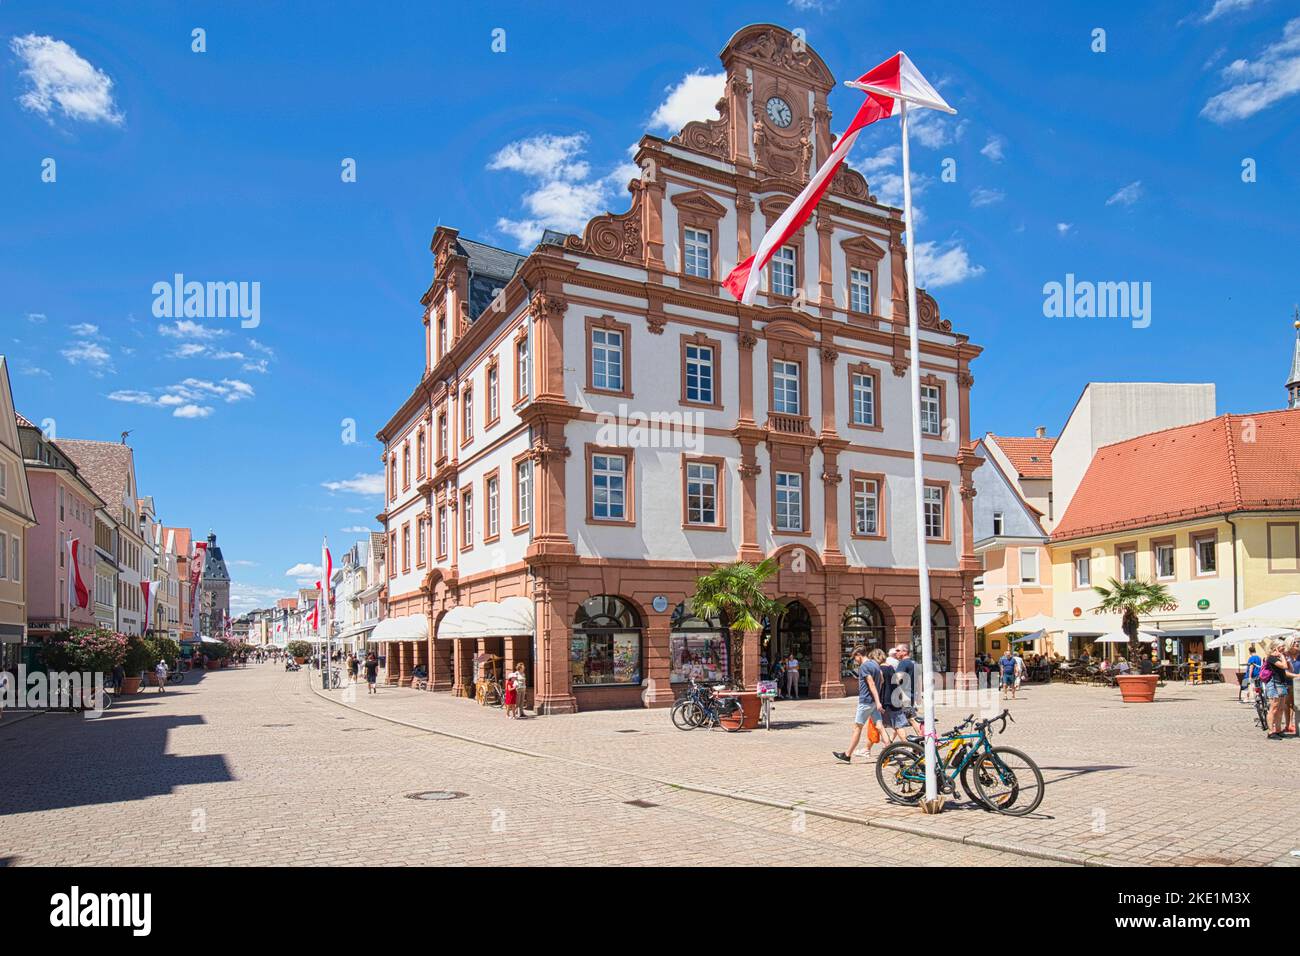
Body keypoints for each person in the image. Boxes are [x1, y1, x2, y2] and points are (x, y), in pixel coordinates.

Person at [833, 645, 883, 764]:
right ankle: (890, 749)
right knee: (879, 726)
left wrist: (878, 701)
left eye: (855, 657)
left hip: (866, 701)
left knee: (857, 727)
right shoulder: (875, 663)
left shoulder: (864, 666)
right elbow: (881, 679)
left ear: (859, 655)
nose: (855, 660)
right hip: (873, 702)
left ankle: (847, 754)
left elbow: (871, 684)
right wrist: (877, 699)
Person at [1261, 640, 1296, 739]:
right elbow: (1284, 666)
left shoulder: (1280, 657)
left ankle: (1278, 729)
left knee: (1280, 708)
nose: (1284, 648)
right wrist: (1282, 657)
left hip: (1281, 683)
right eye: (1282, 646)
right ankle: (1271, 732)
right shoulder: (1271, 658)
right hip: (1274, 684)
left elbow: (1290, 669)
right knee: (1274, 708)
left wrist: (1286, 659)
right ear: (1275, 647)